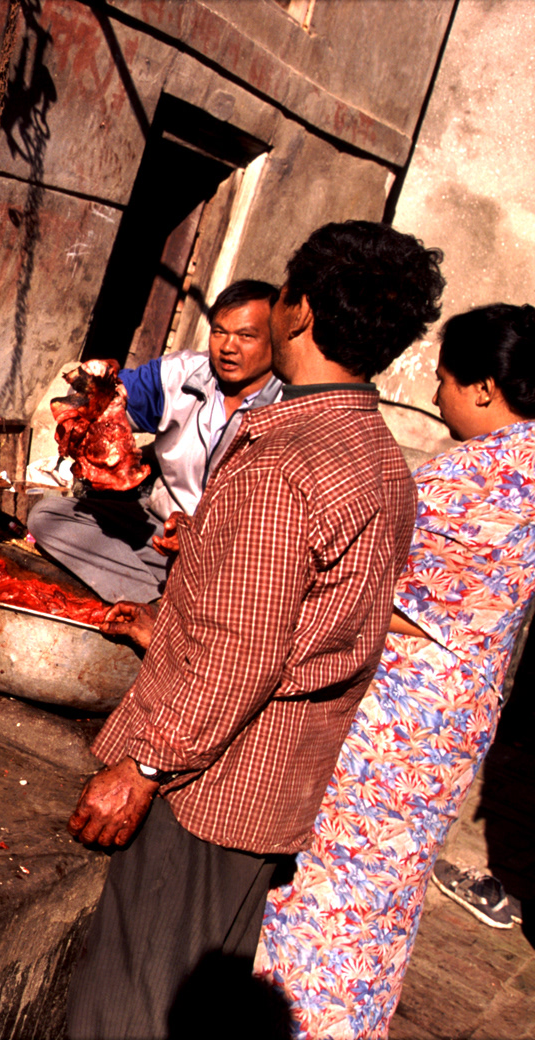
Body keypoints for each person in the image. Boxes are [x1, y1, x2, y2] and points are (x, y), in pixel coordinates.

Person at [62, 220, 445, 1040]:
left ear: (296, 312)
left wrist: (144, 764)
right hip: (271, 785)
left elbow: (243, 651)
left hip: (211, 789)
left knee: (132, 1011)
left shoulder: (285, 460)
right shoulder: (378, 455)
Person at [258, 303, 535, 1039]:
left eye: (443, 380)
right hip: (456, 712)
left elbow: (377, 589)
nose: (437, 396)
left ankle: (300, 1022)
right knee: (383, 896)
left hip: (397, 717)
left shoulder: (478, 476)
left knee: (329, 889)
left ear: (483, 387)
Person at [29, 280, 282, 604]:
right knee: (49, 517)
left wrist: (205, 534)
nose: (228, 346)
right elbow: (108, 399)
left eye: (246, 336)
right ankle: (153, 607)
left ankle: (175, 605)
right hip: (160, 536)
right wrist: (90, 396)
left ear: (274, 338)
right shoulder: (183, 374)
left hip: (232, 561)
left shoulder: (289, 407)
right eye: (219, 331)